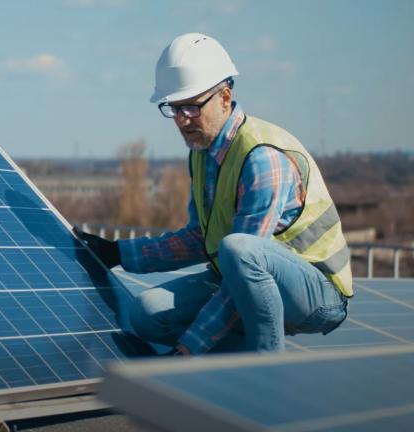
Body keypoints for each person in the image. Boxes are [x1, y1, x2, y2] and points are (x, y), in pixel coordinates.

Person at [76, 33, 351, 355]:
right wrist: (119, 253)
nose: (182, 119)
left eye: (191, 106)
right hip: (244, 278)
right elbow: (199, 238)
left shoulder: (261, 157)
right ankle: (230, 363)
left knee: (240, 250)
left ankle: (267, 370)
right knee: (147, 313)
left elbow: (245, 261)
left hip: (315, 292)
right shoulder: (203, 151)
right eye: (174, 108)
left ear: (224, 96)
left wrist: (190, 349)